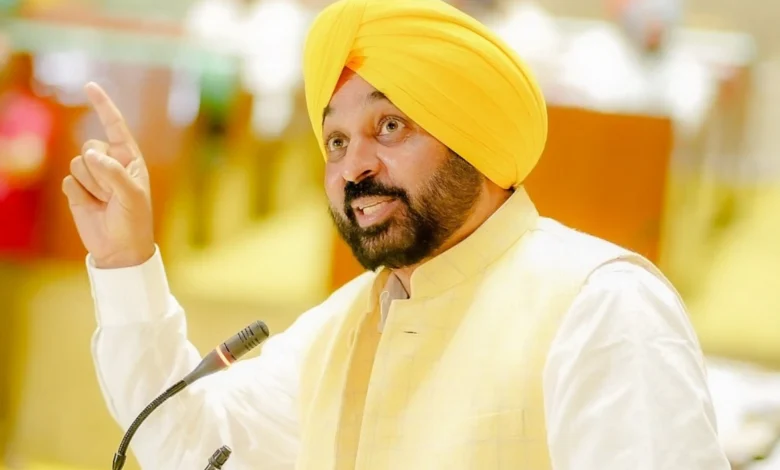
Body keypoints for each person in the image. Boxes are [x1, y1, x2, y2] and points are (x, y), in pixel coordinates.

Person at [62, 0, 731, 468]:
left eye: (390, 127)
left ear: (473, 134)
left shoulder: (599, 308)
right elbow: (191, 444)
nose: (354, 167)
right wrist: (126, 262)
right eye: (335, 140)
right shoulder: (345, 327)